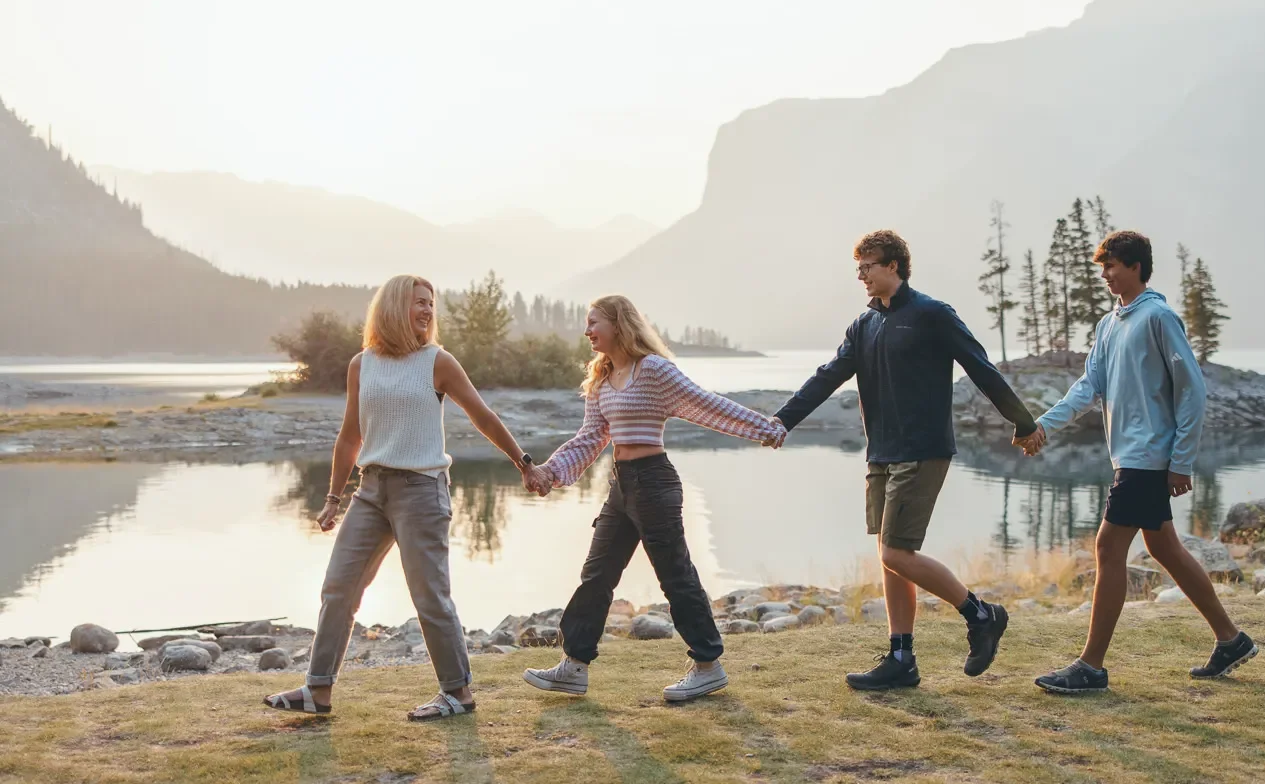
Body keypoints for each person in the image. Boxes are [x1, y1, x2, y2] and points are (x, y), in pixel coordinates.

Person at [263, 274, 546, 720]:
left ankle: (458, 693)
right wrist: (334, 497)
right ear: (394, 307)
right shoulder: (362, 364)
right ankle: (317, 690)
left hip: (421, 491)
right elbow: (350, 436)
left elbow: (483, 415)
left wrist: (524, 463)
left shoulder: (438, 362)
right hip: (370, 491)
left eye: (431, 303)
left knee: (430, 596)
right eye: (419, 302)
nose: (428, 310)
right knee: (338, 588)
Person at [772, 230, 1039, 690]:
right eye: (858, 268)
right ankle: (901, 657)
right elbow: (828, 376)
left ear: (893, 265)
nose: (861, 275)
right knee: (890, 556)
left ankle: (981, 614)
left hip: (922, 449)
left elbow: (980, 367)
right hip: (881, 452)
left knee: (896, 552)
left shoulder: (932, 314)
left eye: (868, 266)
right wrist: (783, 420)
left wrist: (1023, 421)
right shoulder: (864, 325)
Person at [1017, 230, 1257, 693]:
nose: (1105, 274)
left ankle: (1091, 666)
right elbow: (1088, 388)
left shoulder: (1159, 317)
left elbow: (1192, 391)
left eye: (1111, 265)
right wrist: (1043, 425)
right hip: (1130, 456)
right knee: (1165, 548)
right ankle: (1231, 640)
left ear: (1135, 266)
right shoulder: (1109, 325)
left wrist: (1181, 460)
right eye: (1102, 266)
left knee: (1108, 548)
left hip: (1148, 457)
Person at [520, 295, 785, 703]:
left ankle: (708, 666)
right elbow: (590, 438)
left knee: (675, 575)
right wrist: (549, 472)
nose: (587, 331)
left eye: (594, 322)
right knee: (597, 574)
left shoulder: (654, 370)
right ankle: (573, 666)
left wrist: (763, 428)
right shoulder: (602, 378)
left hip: (655, 483)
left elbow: (706, 403)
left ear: (618, 324)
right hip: (622, 486)